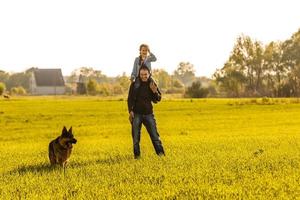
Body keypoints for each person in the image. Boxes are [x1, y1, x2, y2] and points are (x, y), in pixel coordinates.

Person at [127, 65, 165, 159]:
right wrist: (130, 111)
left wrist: (155, 91)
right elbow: (130, 99)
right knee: (136, 138)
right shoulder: (135, 84)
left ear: (149, 74)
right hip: (136, 114)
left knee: (155, 137)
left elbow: (158, 99)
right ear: (139, 74)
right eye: (141, 74)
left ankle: (161, 156)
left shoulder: (152, 83)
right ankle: (137, 157)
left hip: (149, 114)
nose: (143, 76)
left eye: (145, 74)